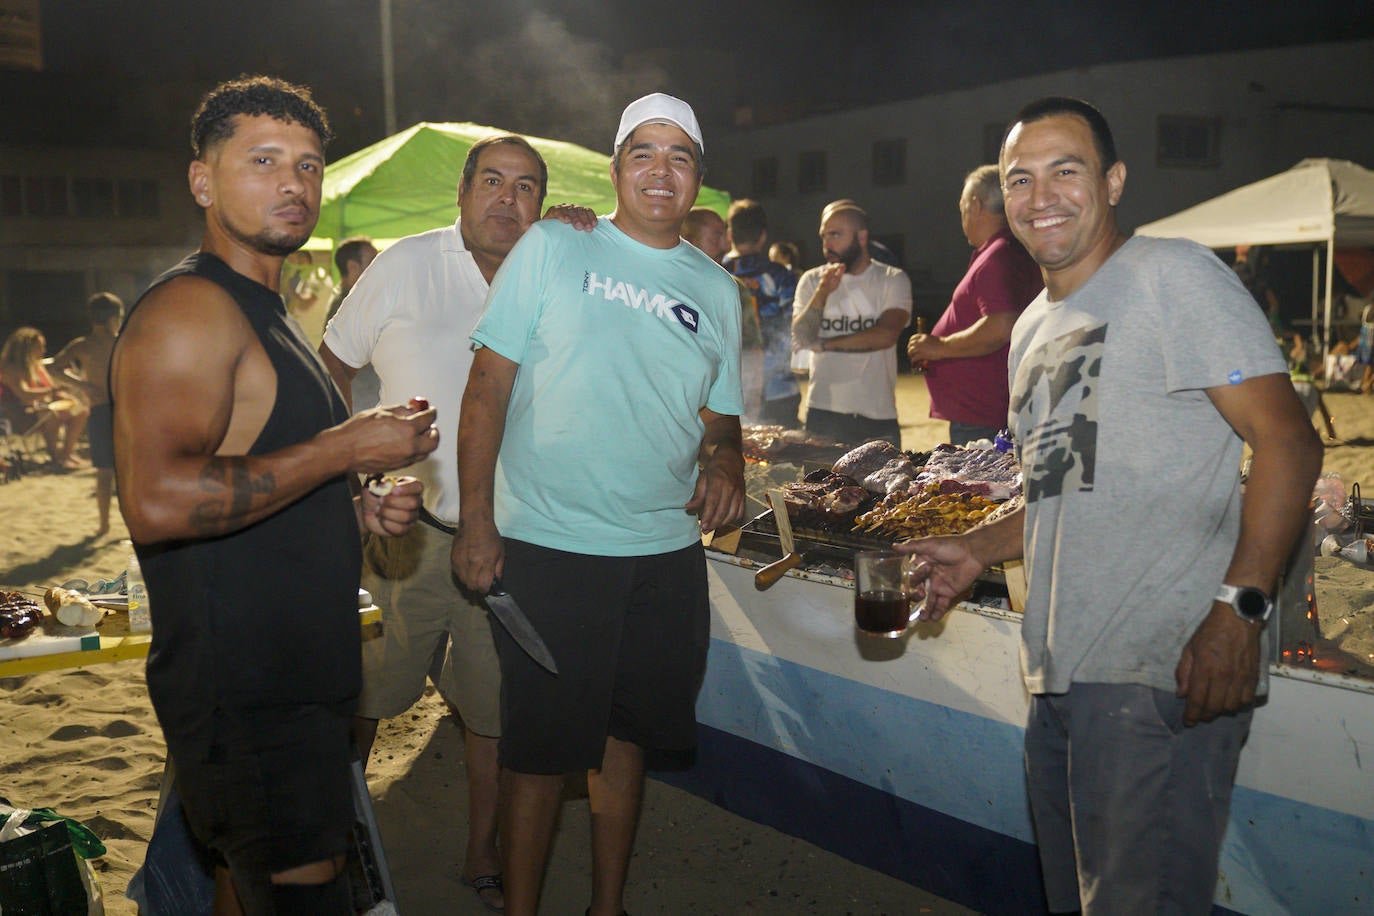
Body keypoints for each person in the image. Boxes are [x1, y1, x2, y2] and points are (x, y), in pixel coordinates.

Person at [901, 97, 1323, 914]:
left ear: (1115, 180)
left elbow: (1288, 442)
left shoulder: (1173, 276)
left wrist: (1239, 612)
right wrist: (981, 548)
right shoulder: (1031, 327)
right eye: (1020, 178)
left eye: (1068, 169)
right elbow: (1066, 485)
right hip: (1062, 673)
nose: (1041, 194)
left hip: (1158, 669)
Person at [109, 75, 438, 914]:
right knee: (300, 893)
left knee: (243, 880)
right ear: (202, 180)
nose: (292, 184)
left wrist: (352, 505)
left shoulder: (271, 307)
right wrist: (339, 448)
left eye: (307, 165)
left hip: (293, 667)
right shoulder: (192, 309)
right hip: (247, 685)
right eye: (262, 161)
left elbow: (259, 465)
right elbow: (156, 499)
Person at [451, 92, 745, 916]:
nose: (661, 170)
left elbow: (721, 414)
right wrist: (476, 521)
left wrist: (728, 459)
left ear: (698, 181)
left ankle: (606, 907)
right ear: (616, 169)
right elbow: (487, 386)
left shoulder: (719, 291)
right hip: (550, 547)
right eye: (643, 153)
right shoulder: (551, 245)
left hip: (664, 555)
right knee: (541, 752)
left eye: (679, 155)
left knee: (628, 741)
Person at [320, 134, 594, 913]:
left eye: (528, 188)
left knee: (492, 712)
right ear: (463, 192)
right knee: (363, 699)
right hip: (400, 531)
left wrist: (589, 232)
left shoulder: (559, 270)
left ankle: (483, 850)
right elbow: (332, 363)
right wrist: (349, 465)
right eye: (493, 183)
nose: (507, 200)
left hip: (511, 540)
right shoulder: (406, 263)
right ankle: (342, 846)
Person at [906, 165, 1042, 445]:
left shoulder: (998, 256)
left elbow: (1001, 324)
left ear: (975, 204)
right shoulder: (1010, 250)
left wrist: (939, 347)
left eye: (962, 207)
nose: (962, 216)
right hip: (991, 410)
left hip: (981, 417)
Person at [792, 200, 912, 445]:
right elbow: (802, 337)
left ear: (862, 236)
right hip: (823, 410)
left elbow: (885, 335)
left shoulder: (891, 279)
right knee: (815, 483)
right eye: (824, 236)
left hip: (876, 415)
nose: (827, 244)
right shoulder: (812, 281)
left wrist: (825, 344)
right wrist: (822, 293)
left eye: (835, 235)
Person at [49, 293, 124, 531]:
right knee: (113, 472)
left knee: (107, 472)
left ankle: (105, 525)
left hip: (110, 411)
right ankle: (106, 525)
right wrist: (84, 385)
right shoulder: (117, 342)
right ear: (115, 317)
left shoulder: (88, 344)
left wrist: (85, 385)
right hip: (117, 411)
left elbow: (54, 368)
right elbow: (54, 368)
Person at [683, 206, 765, 424]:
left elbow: (752, 353)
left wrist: (748, 410)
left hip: (717, 412)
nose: (726, 246)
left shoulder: (734, 289)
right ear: (688, 240)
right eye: (717, 236)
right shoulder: (665, 285)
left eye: (726, 235)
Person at [724, 199, 802, 427]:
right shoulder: (781, 276)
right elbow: (794, 327)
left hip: (731, 389)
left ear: (730, 235)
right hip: (778, 388)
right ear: (763, 236)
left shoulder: (716, 272)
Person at [0, 326, 90, 470]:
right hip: (17, 414)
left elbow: (51, 390)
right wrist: (53, 391)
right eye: (39, 347)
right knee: (49, 414)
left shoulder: (36, 366)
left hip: (39, 408)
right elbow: (25, 395)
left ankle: (66, 454)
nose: (43, 351)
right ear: (26, 349)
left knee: (80, 411)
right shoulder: (11, 368)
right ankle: (56, 458)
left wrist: (63, 396)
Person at [323, 236, 378, 326]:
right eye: (372, 262)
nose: (379, 267)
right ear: (352, 267)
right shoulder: (347, 308)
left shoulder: (356, 301)